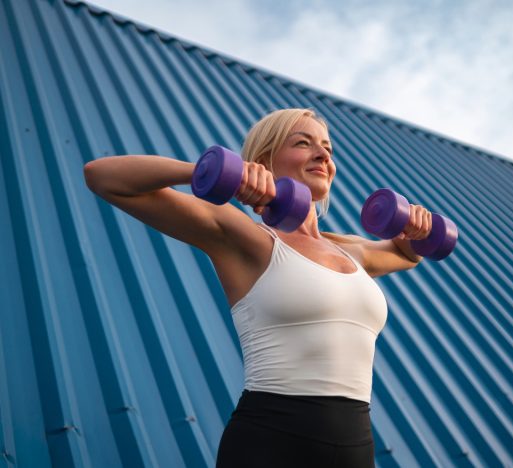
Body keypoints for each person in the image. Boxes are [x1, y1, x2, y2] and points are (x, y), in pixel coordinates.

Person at [84, 108, 432, 467]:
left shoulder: (351, 250)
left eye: (327, 147)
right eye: (303, 143)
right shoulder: (245, 237)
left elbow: (408, 255)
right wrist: (207, 172)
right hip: (271, 443)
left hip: (356, 447)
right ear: (263, 160)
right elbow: (102, 176)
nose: (323, 154)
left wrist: (415, 230)